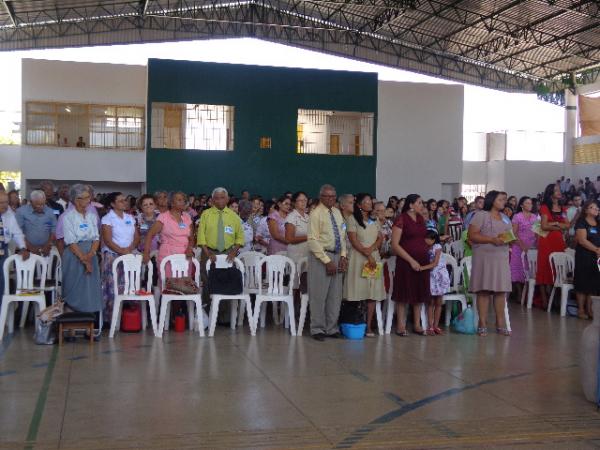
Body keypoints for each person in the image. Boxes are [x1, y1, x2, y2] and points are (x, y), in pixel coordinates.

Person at [468, 190, 512, 337]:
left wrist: (507, 238)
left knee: (500, 290)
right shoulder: (481, 215)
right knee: (484, 290)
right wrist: (492, 239)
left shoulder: (505, 217)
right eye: (501, 199)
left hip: (501, 256)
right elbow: (472, 235)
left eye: (504, 200)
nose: (504, 202)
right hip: (484, 257)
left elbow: (510, 235)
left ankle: (500, 322)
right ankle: (482, 322)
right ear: (492, 200)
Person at [307, 184, 348, 341]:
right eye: (327, 196)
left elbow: (342, 235)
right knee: (319, 294)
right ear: (321, 197)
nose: (331, 199)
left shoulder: (337, 213)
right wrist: (326, 260)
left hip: (337, 255)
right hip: (321, 257)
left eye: (333, 196)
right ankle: (317, 328)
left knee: (335, 295)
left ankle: (332, 328)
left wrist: (343, 256)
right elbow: (312, 240)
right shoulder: (316, 214)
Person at [344, 193, 385, 337]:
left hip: (372, 257)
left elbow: (381, 237)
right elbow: (353, 240)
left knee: (371, 291)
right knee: (358, 290)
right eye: (366, 201)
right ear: (359, 205)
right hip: (359, 257)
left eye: (370, 201)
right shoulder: (352, 219)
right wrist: (367, 253)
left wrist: (372, 249)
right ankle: (355, 322)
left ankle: (368, 326)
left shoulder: (374, 220)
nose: (369, 203)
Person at [390, 194, 431, 336]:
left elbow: (422, 238)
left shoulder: (420, 219)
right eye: (419, 203)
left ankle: (417, 324)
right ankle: (401, 325)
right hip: (406, 261)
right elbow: (395, 244)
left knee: (419, 292)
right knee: (404, 293)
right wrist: (411, 260)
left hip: (422, 261)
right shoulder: (401, 219)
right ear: (411, 205)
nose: (422, 206)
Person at [60, 184, 102, 322]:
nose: (87, 201)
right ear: (76, 200)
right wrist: (84, 260)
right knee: (74, 288)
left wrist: (90, 256)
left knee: (90, 289)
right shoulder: (68, 217)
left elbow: (96, 237)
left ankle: (89, 324)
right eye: (84, 198)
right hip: (75, 256)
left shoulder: (91, 216)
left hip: (91, 254)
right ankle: (71, 325)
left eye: (88, 197)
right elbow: (71, 242)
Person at [101, 192, 139, 324]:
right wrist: (122, 251)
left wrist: (130, 248)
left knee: (129, 285)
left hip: (129, 255)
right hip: (113, 255)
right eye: (121, 200)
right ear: (112, 204)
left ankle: (127, 318)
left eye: (125, 200)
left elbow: (136, 236)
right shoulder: (107, 218)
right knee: (112, 287)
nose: (125, 202)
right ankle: (110, 320)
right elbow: (107, 240)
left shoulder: (130, 217)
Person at [536, 184, 569, 309]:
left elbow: (567, 225)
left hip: (559, 241)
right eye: (556, 190)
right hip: (546, 241)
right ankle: (545, 300)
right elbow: (544, 226)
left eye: (559, 190)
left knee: (558, 268)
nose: (559, 192)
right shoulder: (545, 207)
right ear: (550, 193)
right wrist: (557, 224)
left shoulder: (563, 208)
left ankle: (556, 300)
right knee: (545, 267)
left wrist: (554, 225)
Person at [197, 187, 244, 264]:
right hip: (208, 252)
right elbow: (201, 237)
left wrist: (233, 252)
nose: (220, 201)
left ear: (227, 199)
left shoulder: (234, 216)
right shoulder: (205, 214)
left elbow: (240, 237)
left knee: (227, 276)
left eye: (222, 198)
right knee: (208, 275)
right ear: (212, 200)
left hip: (229, 253)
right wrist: (208, 253)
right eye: (216, 198)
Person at [573, 200, 600, 320]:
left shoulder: (598, 223)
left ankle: (590, 309)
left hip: (596, 257)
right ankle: (581, 309)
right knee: (582, 282)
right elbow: (582, 240)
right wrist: (596, 250)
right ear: (586, 210)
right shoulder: (581, 222)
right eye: (592, 207)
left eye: (597, 208)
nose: (596, 210)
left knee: (593, 283)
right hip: (584, 256)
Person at [0, 191, 29, 298]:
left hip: (3, 253)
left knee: (2, 284)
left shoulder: (9, 214)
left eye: (6, 202)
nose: (4, 205)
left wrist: (22, 247)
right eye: (1, 203)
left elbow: (17, 233)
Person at [510, 196, 538, 302]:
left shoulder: (535, 217)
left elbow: (537, 233)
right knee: (518, 269)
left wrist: (536, 246)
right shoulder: (517, 216)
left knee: (529, 269)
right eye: (527, 203)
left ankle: (528, 294)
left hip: (532, 247)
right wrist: (522, 246)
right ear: (522, 205)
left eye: (531, 203)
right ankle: (519, 293)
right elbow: (514, 233)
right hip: (518, 246)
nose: (530, 205)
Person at [423, 230, 449, 335]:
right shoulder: (424, 247)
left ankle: (436, 325)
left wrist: (422, 268)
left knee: (439, 302)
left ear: (434, 240)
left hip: (440, 276)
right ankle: (430, 326)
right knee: (430, 302)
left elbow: (435, 263)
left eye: (429, 238)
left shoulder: (437, 247)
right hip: (430, 277)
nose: (426, 240)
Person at [15, 190, 56, 257]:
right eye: (38, 204)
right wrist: (31, 248)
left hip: (45, 250)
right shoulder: (21, 212)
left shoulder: (50, 211)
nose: (41, 207)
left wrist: (48, 244)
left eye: (43, 204)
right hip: (25, 250)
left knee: (44, 267)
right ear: (31, 202)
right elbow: (18, 232)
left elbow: (53, 229)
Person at [285, 191, 310, 275]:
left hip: (307, 254)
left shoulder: (308, 217)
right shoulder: (291, 217)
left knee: (305, 283)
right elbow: (289, 239)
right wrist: (309, 237)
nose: (303, 202)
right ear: (294, 203)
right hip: (295, 255)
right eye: (300, 200)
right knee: (295, 284)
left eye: (305, 200)